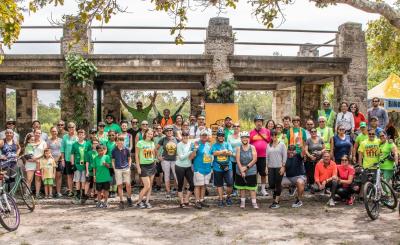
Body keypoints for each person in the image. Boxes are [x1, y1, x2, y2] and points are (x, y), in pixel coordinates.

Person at [189, 130, 213, 209]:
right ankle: (197, 201)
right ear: (200, 136)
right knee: (197, 186)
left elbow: (210, 156)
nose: (204, 137)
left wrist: (211, 167)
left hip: (207, 169)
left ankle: (202, 200)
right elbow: (191, 157)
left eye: (206, 135)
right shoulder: (195, 144)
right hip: (198, 168)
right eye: (203, 135)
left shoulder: (209, 145)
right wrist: (195, 149)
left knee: (204, 185)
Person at [235, 131, 258, 209]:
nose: (245, 139)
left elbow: (255, 159)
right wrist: (242, 170)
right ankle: (242, 202)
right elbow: (237, 160)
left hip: (251, 169)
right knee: (242, 188)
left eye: (246, 137)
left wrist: (246, 167)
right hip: (240, 169)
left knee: (252, 188)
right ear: (241, 139)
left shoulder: (252, 147)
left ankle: (254, 203)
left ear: (249, 138)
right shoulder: (238, 148)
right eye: (243, 138)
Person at [211, 128, 234, 207]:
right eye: (219, 135)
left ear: (224, 136)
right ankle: (220, 199)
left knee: (230, 183)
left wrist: (220, 153)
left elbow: (230, 153)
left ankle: (228, 197)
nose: (221, 137)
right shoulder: (214, 145)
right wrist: (223, 152)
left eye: (222, 135)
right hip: (217, 167)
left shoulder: (228, 144)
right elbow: (213, 153)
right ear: (217, 137)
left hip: (228, 167)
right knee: (219, 184)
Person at [249, 115, 270, 196]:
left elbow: (269, 142)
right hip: (254, 156)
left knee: (263, 173)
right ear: (255, 123)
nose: (259, 123)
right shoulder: (251, 132)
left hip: (264, 156)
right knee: (254, 173)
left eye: (260, 121)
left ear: (262, 123)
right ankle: (255, 188)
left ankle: (263, 189)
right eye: (257, 121)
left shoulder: (267, 131)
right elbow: (248, 143)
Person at [135, 128, 157, 209]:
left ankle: (147, 202)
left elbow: (154, 154)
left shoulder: (152, 143)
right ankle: (139, 202)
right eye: (148, 133)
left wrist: (154, 161)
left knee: (150, 185)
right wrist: (138, 167)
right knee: (146, 185)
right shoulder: (140, 143)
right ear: (145, 133)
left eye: (151, 134)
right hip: (143, 166)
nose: (150, 135)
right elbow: (137, 156)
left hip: (151, 165)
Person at [266, 130, 287, 209]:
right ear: (270, 136)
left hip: (279, 167)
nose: (274, 136)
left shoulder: (282, 144)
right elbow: (266, 157)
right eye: (272, 135)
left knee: (278, 183)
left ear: (277, 135)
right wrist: (266, 167)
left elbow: (285, 156)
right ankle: (276, 195)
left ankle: (276, 201)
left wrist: (283, 166)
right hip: (271, 167)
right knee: (271, 184)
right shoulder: (268, 145)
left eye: (275, 135)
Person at [156, 125, 178, 198]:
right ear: (165, 132)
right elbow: (155, 149)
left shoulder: (176, 139)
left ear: (172, 131)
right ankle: (168, 192)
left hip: (175, 160)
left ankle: (178, 191)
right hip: (165, 160)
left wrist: (179, 155)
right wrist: (159, 157)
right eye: (167, 131)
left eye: (171, 130)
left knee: (176, 175)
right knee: (167, 176)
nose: (169, 132)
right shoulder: (163, 139)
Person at [112, 136, 133, 209]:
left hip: (126, 168)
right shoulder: (114, 150)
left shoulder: (127, 149)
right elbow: (113, 160)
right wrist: (114, 169)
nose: (120, 142)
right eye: (118, 140)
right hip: (118, 169)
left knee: (128, 184)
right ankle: (121, 200)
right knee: (119, 185)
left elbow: (129, 159)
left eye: (121, 140)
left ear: (123, 141)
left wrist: (129, 167)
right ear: (116, 142)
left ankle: (129, 198)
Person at [175, 131, 194, 208]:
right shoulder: (179, 145)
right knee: (180, 185)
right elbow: (181, 157)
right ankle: (181, 202)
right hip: (179, 166)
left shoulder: (190, 143)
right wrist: (190, 151)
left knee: (192, 184)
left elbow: (199, 139)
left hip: (188, 166)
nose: (185, 137)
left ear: (189, 136)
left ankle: (186, 199)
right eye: (184, 135)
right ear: (182, 136)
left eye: (187, 135)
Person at [28, 129, 47, 198]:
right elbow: (27, 151)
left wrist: (36, 159)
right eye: (36, 133)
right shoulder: (30, 141)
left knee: (38, 179)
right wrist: (31, 159)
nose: (38, 134)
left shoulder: (43, 142)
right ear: (34, 133)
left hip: (39, 163)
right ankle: (26, 194)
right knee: (29, 179)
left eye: (39, 133)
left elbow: (45, 153)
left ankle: (37, 194)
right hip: (30, 163)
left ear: (41, 134)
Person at [70, 129, 87, 204]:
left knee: (83, 180)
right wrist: (73, 164)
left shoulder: (87, 144)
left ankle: (83, 193)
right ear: (77, 135)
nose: (81, 135)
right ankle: (77, 193)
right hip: (77, 164)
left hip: (84, 165)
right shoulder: (74, 144)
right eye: (79, 134)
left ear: (84, 135)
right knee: (77, 180)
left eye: (82, 134)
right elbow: (72, 154)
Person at [46, 126, 63, 198]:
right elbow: (47, 151)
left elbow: (62, 151)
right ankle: (51, 193)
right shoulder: (48, 141)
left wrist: (58, 158)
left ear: (57, 132)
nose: (54, 132)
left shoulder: (61, 140)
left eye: (55, 131)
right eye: (52, 131)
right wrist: (52, 159)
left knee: (58, 176)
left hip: (59, 160)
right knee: (51, 176)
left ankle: (58, 192)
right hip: (50, 161)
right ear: (50, 132)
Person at [227, 122, 241, 196]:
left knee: (238, 174)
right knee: (232, 175)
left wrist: (239, 156)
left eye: (237, 126)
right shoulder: (229, 136)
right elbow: (228, 146)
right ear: (232, 127)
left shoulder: (242, 135)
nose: (236, 127)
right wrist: (233, 154)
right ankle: (233, 189)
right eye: (234, 126)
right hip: (231, 158)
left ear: (239, 127)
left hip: (241, 158)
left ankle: (237, 189)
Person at [152, 125, 164, 191]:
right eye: (157, 128)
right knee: (157, 172)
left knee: (162, 172)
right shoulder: (154, 138)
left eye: (160, 128)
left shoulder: (165, 137)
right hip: (157, 157)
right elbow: (154, 148)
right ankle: (158, 185)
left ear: (162, 129)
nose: (159, 129)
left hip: (164, 157)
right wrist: (156, 157)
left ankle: (161, 184)